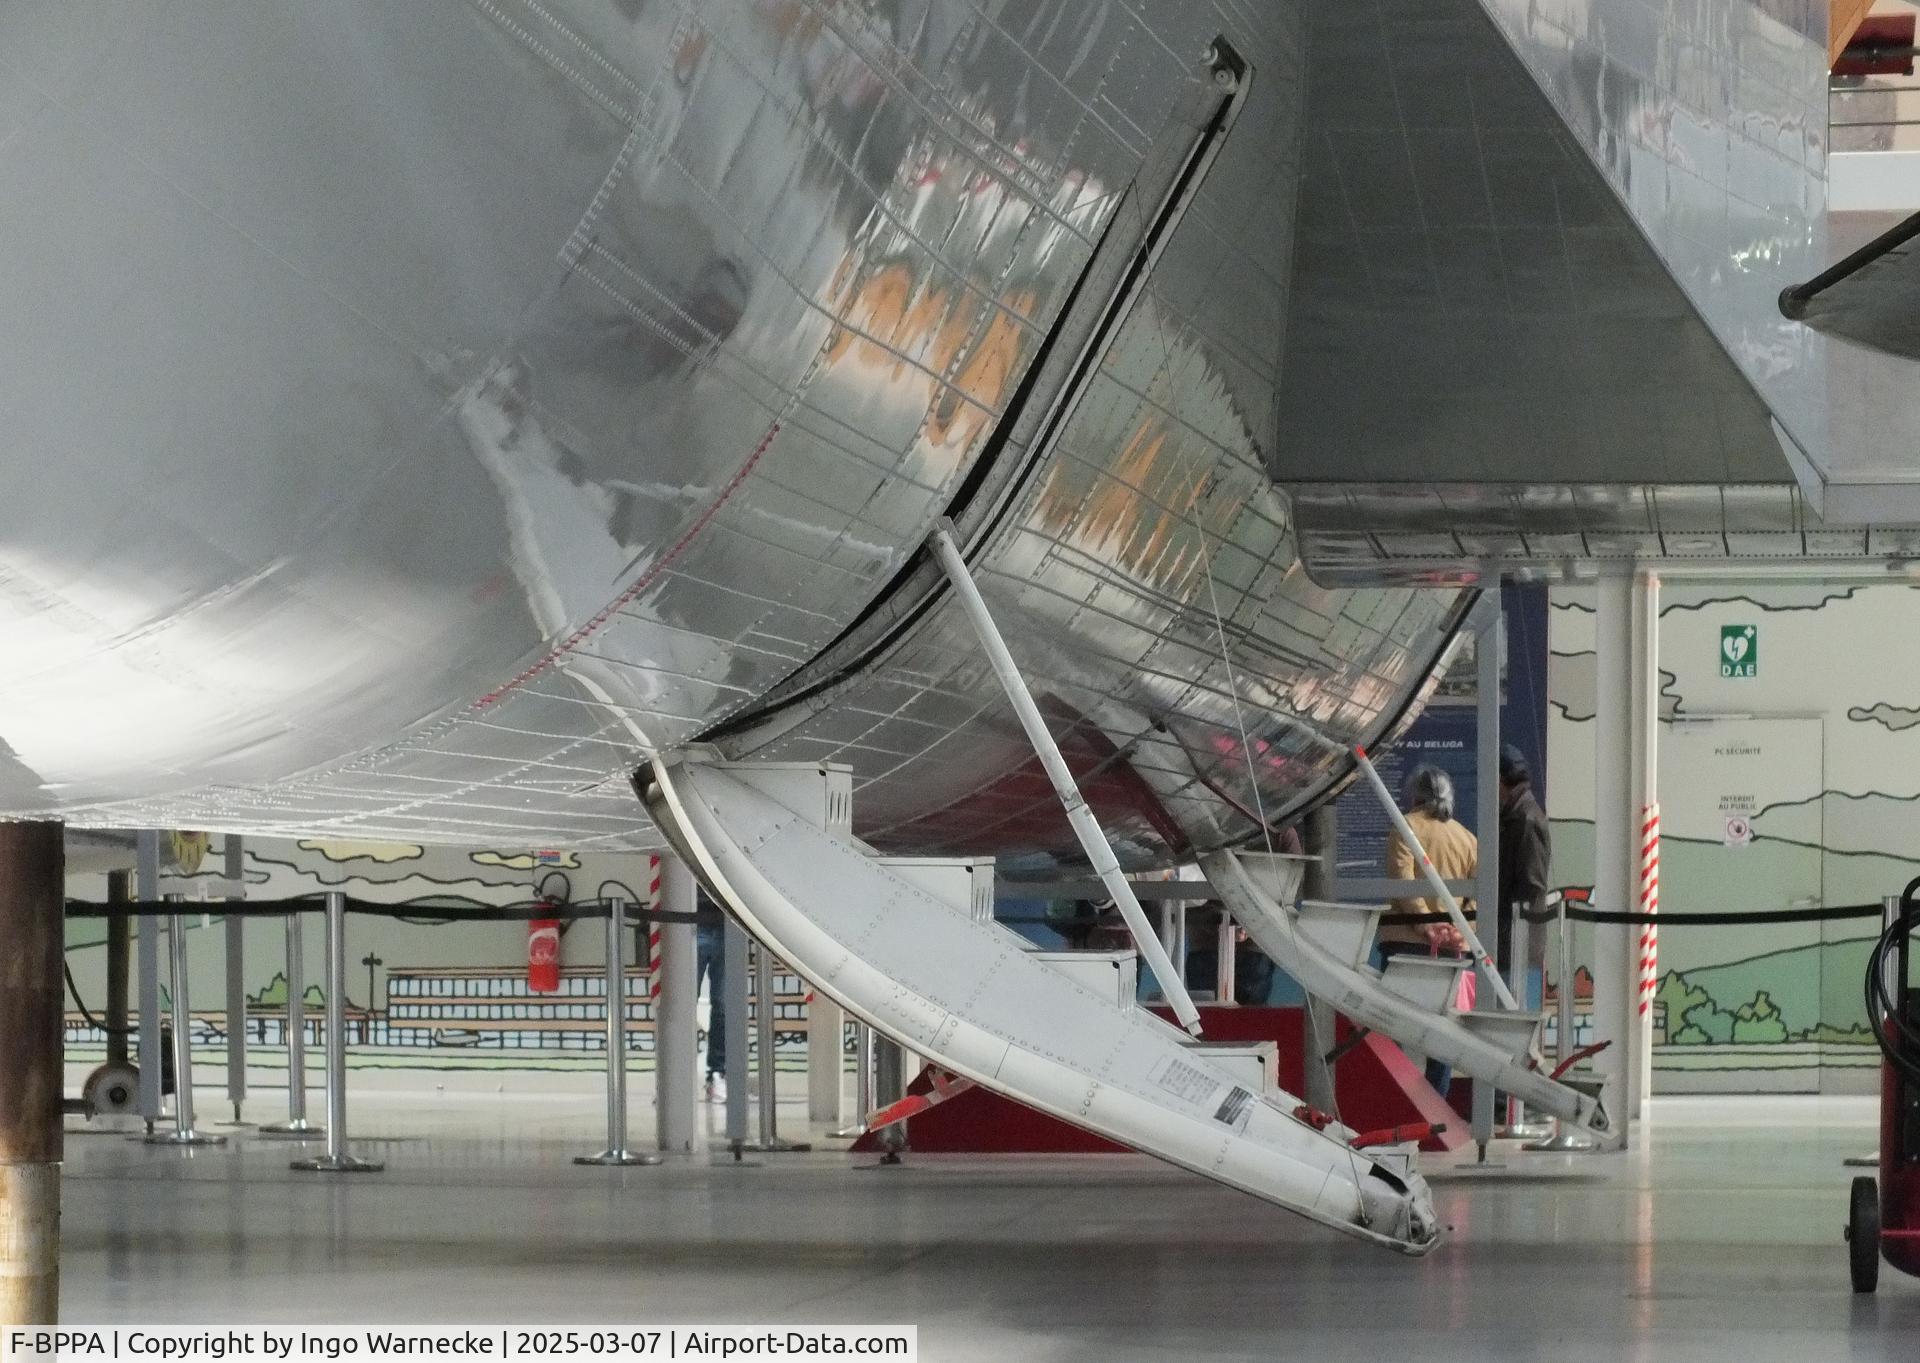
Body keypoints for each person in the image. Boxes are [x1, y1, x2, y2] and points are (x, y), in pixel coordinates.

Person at [1380, 764, 1477, 1096]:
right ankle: (1438, 1106)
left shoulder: (1405, 828)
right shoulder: (1467, 838)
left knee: (1393, 1026)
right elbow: (1474, 899)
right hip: (1452, 949)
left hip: (1405, 943)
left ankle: (1396, 1100)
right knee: (1443, 1032)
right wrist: (1455, 932)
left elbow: (1402, 884)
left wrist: (1426, 925)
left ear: (1414, 794)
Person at [1498, 744, 1553, 987]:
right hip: (1514, 943)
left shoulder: (1525, 820)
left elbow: (1532, 884)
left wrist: (1507, 927)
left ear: (1500, 778)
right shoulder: (1517, 816)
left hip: (1518, 947)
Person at [694, 890, 727, 1103]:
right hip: (691, 917)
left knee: (723, 1006)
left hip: (726, 921)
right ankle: (675, 1076)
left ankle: (717, 1073)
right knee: (680, 1004)